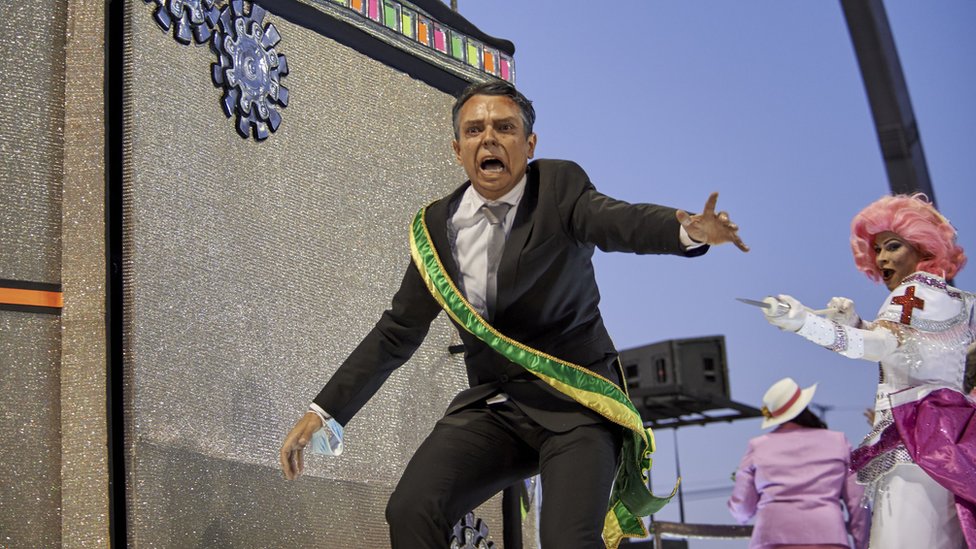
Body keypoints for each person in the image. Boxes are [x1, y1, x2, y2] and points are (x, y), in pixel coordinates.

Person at [279, 80, 748, 548]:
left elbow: (618, 221)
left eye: (504, 128)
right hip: (497, 409)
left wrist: (686, 232)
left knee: (566, 541)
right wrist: (325, 412)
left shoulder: (560, 190)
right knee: (412, 508)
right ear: (457, 149)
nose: (489, 138)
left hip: (577, 406)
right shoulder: (435, 228)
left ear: (529, 144)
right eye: (474, 130)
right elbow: (396, 332)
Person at [759, 194, 975, 548]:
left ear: (923, 247)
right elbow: (911, 347)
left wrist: (804, 323)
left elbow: (881, 345)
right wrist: (856, 323)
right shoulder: (962, 302)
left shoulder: (910, 293)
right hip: (956, 451)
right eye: (876, 249)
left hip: (915, 448)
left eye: (893, 246)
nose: (881, 258)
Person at [728, 377, 869, 549]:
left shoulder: (758, 446)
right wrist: (862, 544)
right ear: (804, 406)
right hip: (829, 535)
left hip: (772, 537)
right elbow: (858, 502)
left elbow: (742, 509)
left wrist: (739, 512)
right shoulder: (838, 442)